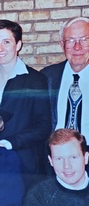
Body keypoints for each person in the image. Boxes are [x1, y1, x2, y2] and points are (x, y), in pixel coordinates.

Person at [0, 19, 51, 188]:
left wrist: (8, 143)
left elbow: (43, 126)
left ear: (19, 44)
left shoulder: (36, 80)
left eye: (6, 42)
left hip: (25, 166)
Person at [17, 128, 89, 206]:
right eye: (59, 159)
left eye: (73, 157)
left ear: (86, 157)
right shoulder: (38, 197)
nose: (67, 166)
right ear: (51, 161)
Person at [41, 17, 89, 146]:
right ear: (62, 45)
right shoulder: (46, 77)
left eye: (84, 40)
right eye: (70, 41)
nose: (77, 47)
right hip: (55, 157)